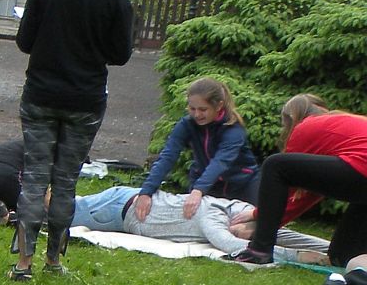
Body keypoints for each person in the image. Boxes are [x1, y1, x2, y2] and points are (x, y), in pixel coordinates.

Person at [10, 0, 134, 279]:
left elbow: (24, 41)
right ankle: (54, 260)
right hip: (86, 98)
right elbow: (120, 55)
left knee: (35, 177)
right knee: (65, 181)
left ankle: (23, 263)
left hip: (41, 94)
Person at [231, 94, 367, 268]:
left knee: (275, 165)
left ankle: (258, 251)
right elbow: (313, 191)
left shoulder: (305, 127)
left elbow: (294, 195)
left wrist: (257, 219)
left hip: (362, 168)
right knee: (341, 257)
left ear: (291, 119)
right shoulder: (341, 123)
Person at [72, 185, 326, 262]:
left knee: (63, 205)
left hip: (124, 209)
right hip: (118, 206)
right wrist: (297, 256)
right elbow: (231, 245)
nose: (243, 237)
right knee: (60, 211)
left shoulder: (238, 214)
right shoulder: (213, 215)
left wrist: (329, 249)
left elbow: (282, 234)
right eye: (246, 233)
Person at [135, 76, 261, 215]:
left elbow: (221, 161)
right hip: (209, 185)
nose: (197, 114)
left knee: (250, 222)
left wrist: (198, 190)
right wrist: (146, 191)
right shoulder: (187, 124)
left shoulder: (232, 129)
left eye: (203, 109)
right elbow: (168, 155)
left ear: (219, 106)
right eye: (192, 108)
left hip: (242, 184)